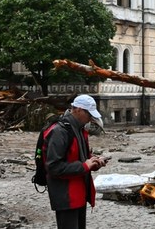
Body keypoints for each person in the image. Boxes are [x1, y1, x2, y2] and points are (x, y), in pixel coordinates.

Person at [43, 94, 110, 229]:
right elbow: (53, 167)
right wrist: (85, 165)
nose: (90, 118)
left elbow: (82, 159)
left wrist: (94, 163)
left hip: (78, 194)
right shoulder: (60, 131)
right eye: (89, 114)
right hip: (66, 197)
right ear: (78, 110)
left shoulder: (78, 129)